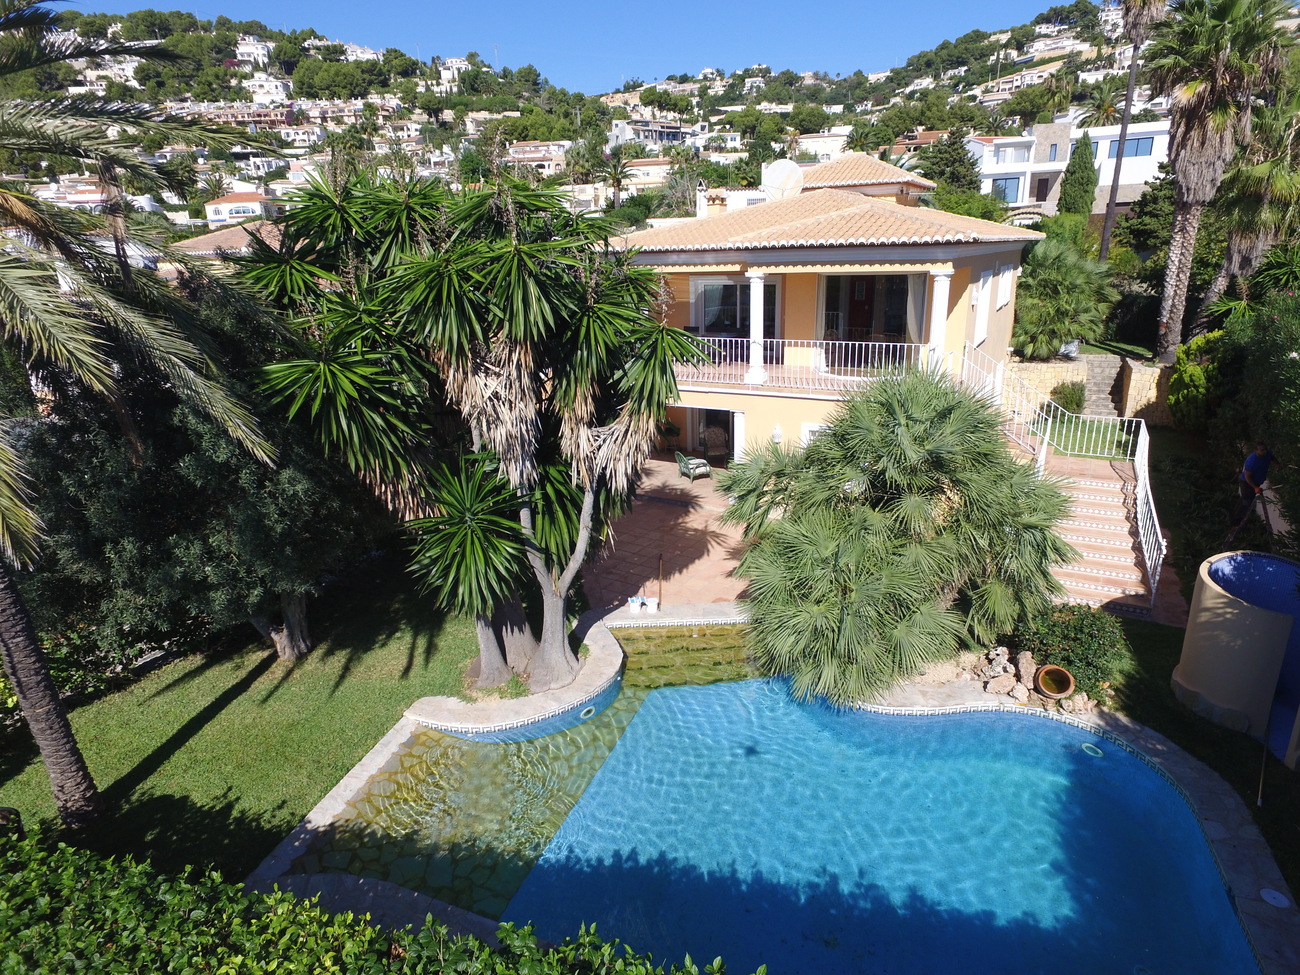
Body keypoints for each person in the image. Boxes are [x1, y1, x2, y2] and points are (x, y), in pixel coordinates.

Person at [1234, 442, 1275, 525]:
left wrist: (1278, 464)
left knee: (1246, 499)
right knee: (1246, 502)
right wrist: (1255, 487)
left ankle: (1238, 515)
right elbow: (1247, 477)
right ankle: (1237, 521)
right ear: (1256, 451)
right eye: (1262, 450)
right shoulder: (1252, 461)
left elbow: (1272, 457)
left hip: (1256, 482)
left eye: (1265, 449)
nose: (1265, 451)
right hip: (1247, 483)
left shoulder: (1267, 454)